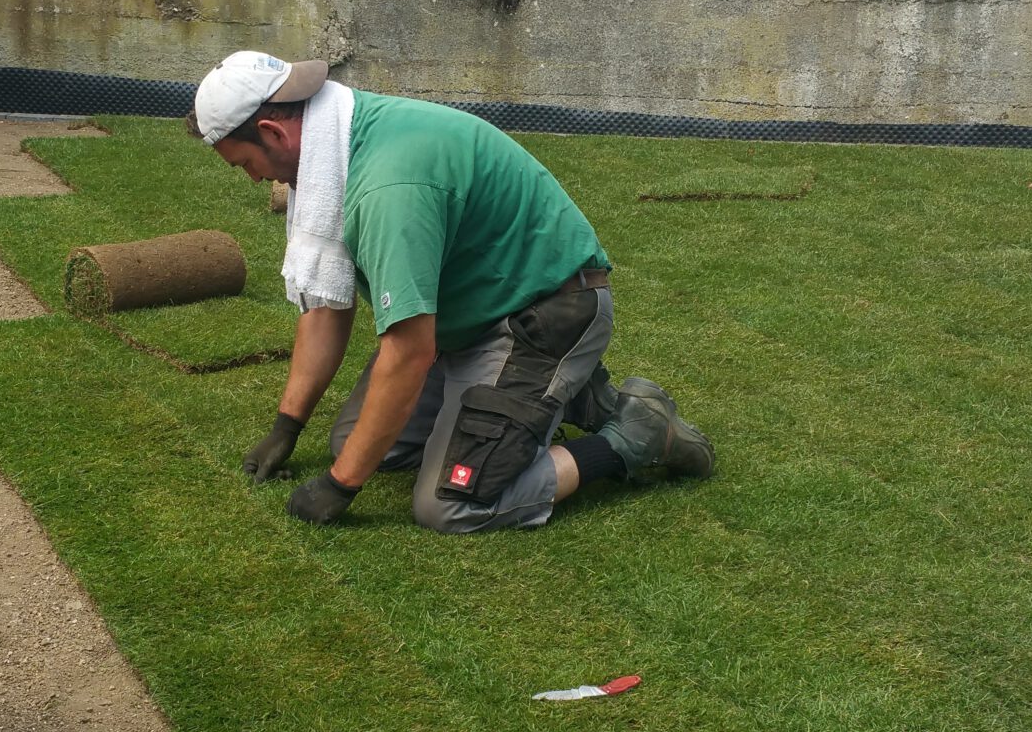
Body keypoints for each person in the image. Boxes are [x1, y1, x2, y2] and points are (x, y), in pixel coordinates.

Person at [189, 51, 713, 532]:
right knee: (358, 443)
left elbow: (409, 352)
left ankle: (637, 436)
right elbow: (327, 307)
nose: (254, 179)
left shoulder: (388, 187)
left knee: (448, 504)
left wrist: (340, 485)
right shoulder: (342, 139)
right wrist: (287, 426)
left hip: (546, 316)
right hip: (469, 320)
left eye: (245, 164)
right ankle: (567, 398)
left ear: (273, 132)